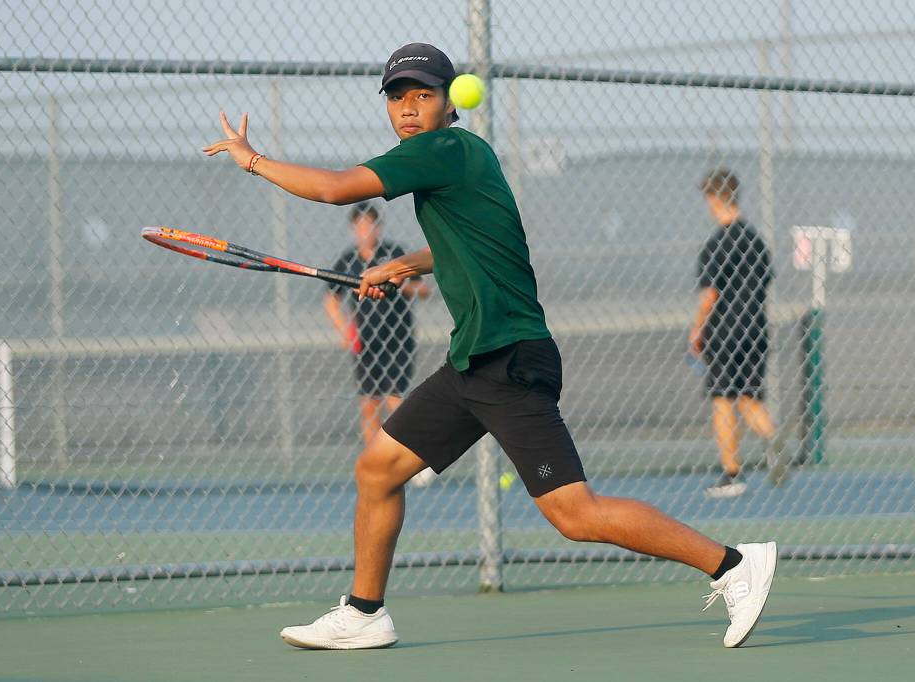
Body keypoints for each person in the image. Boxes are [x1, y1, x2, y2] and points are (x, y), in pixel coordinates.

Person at [204, 43, 776, 651]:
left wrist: (253, 160)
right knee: (377, 469)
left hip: (508, 358)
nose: (409, 108)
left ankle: (733, 565)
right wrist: (405, 262)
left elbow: (337, 188)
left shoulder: (440, 148)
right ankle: (364, 612)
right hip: (472, 362)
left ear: (449, 101)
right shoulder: (466, 157)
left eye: (424, 94)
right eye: (397, 97)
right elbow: (481, 243)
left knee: (574, 514)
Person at [323, 202, 435, 485]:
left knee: (396, 401)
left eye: (369, 225)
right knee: (369, 404)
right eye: (359, 226)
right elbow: (331, 299)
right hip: (367, 344)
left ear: (378, 227)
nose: (365, 231)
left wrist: (399, 283)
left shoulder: (394, 254)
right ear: (353, 229)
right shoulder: (347, 260)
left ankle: (412, 460)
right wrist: (347, 331)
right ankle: (375, 463)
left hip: (397, 340)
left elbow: (423, 290)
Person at [689, 169, 782, 497]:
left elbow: (709, 296)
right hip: (756, 329)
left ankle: (731, 474)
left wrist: (697, 330)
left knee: (722, 400)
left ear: (714, 199)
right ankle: (773, 438)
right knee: (747, 396)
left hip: (724, 332)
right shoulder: (755, 241)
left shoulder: (716, 244)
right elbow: (766, 281)